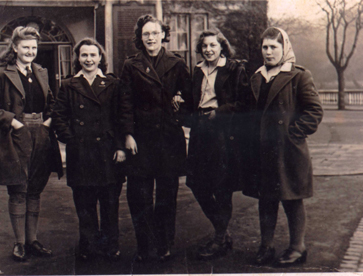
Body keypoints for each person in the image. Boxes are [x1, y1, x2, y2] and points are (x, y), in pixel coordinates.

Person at [0, 26, 63, 261]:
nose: (30, 51)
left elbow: (52, 102)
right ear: (15, 48)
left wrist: (48, 122)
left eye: (34, 48)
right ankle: (19, 244)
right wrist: (14, 123)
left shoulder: (41, 71)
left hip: (41, 135)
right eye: (25, 47)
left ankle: (32, 241)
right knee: (18, 190)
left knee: (35, 190)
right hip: (14, 136)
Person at [243, 27, 323, 266]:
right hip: (262, 149)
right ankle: (266, 246)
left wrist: (293, 134)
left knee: (291, 198)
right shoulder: (257, 77)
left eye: (273, 47)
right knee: (265, 198)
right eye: (265, 47)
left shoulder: (298, 75)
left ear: (284, 48)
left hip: (287, 149)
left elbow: (314, 111)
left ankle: (298, 248)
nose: (268, 52)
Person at [120, 14, 192, 262]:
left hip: (168, 139)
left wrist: (179, 102)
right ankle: (144, 246)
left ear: (163, 35)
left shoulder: (177, 63)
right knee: (139, 196)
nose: (151, 38)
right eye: (146, 34)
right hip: (140, 139)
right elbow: (125, 102)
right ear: (140, 38)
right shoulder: (131, 65)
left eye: (155, 33)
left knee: (166, 196)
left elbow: (189, 97)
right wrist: (128, 134)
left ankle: (164, 244)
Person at [52, 38, 126, 261]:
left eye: (93, 55)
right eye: (84, 55)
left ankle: (111, 245)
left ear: (100, 57)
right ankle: (88, 246)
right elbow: (58, 116)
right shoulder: (68, 85)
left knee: (110, 204)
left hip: (108, 152)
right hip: (81, 153)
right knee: (84, 204)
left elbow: (121, 118)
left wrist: (121, 147)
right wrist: (72, 140)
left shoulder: (113, 84)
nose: (88, 59)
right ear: (78, 58)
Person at [185, 29, 249, 260]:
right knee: (197, 183)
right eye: (204, 46)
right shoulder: (197, 71)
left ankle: (219, 239)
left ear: (222, 46)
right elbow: (190, 100)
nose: (208, 50)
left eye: (213, 45)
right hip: (200, 131)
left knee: (221, 187)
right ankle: (222, 232)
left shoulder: (234, 69)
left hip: (223, 132)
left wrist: (218, 113)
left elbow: (244, 103)